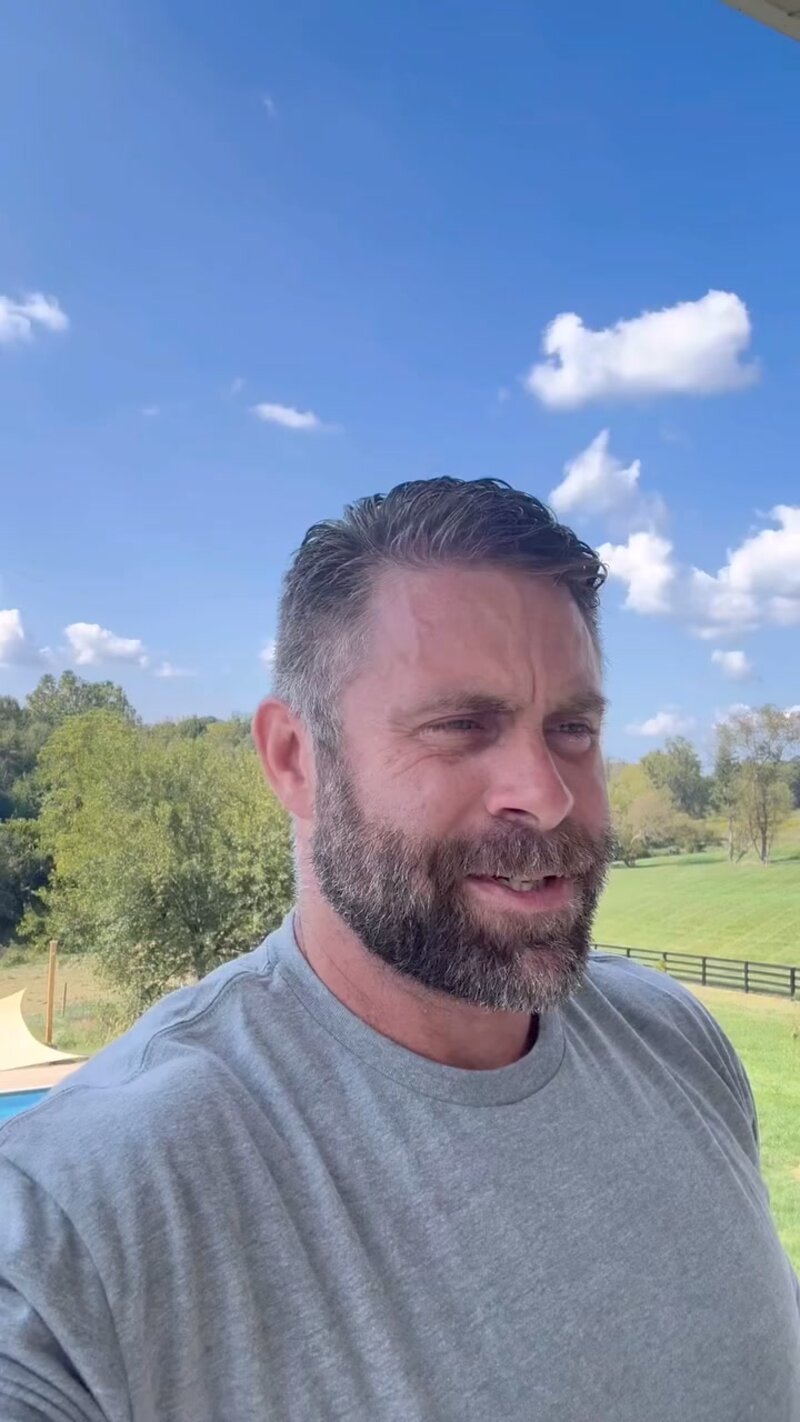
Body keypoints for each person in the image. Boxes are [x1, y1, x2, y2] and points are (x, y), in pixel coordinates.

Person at [0, 478, 797, 1422]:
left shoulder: (677, 1043)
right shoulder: (76, 1221)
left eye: (572, 729)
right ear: (295, 760)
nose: (547, 794)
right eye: (461, 727)